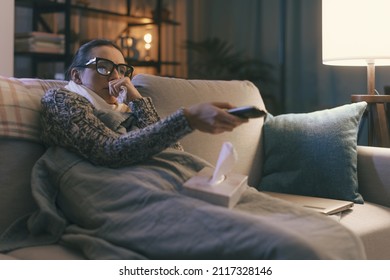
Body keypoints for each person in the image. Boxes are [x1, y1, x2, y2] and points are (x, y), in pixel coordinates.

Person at [40, 39, 248, 167]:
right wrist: (188, 118)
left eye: (121, 69)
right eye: (104, 66)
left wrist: (137, 101)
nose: (115, 76)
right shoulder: (61, 100)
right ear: (76, 76)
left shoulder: (124, 109)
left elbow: (174, 151)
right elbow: (109, 151)